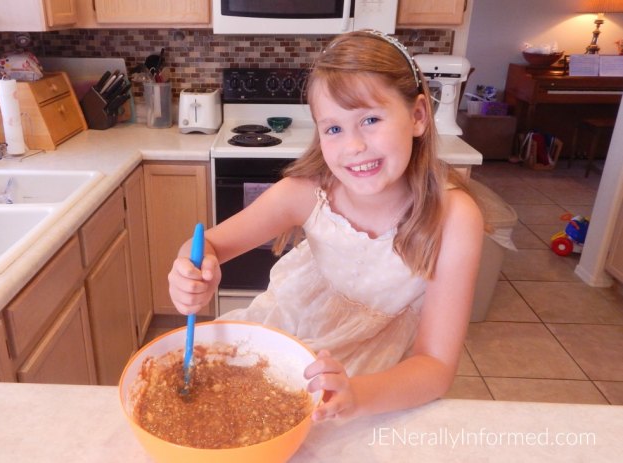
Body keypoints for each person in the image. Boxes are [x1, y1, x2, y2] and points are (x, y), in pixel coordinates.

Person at [168, 30, 484, 423]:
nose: (353, 146)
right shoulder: (305, 192)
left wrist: (358, 394)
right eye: (333, 128)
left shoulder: (453, 219)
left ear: (418, 115)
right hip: (286, 336)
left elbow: (435, 366)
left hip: (376, 381)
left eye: (370, 119)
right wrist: (190, 272)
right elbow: (206, 246)